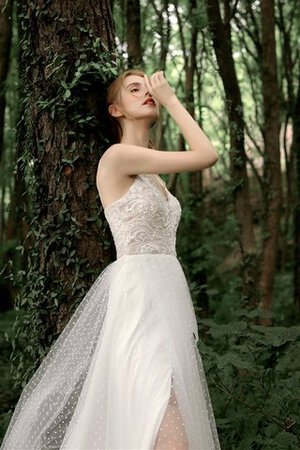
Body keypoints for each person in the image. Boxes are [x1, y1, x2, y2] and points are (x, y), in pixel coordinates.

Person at [1, 69, 221, 450]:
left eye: (148, 88)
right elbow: (208, 154)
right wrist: (170, 100)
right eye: (135, 89)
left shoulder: (155, 176)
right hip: (139, 302)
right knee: (164, 416)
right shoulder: (118, 157)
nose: (148, 92)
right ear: (115, 109)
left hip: (167, 300)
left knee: (156, 415)